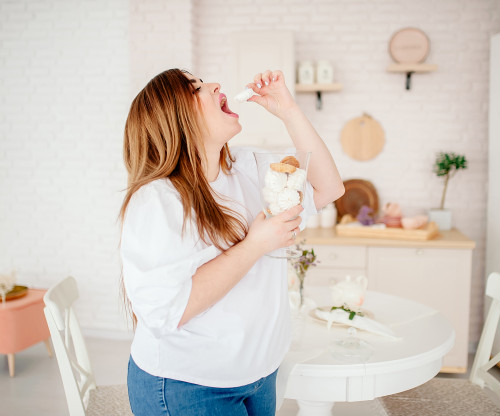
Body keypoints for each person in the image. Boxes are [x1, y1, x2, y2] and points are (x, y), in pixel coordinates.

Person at [119, 68, 344, 416]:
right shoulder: (157, 201)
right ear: (177, 120)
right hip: (187, 384)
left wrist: (289, 111)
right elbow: (167, 311)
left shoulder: (248, 167)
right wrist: (255, 245)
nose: (214, 85)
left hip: (259, 374)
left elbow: (329, 188)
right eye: (196, 87)